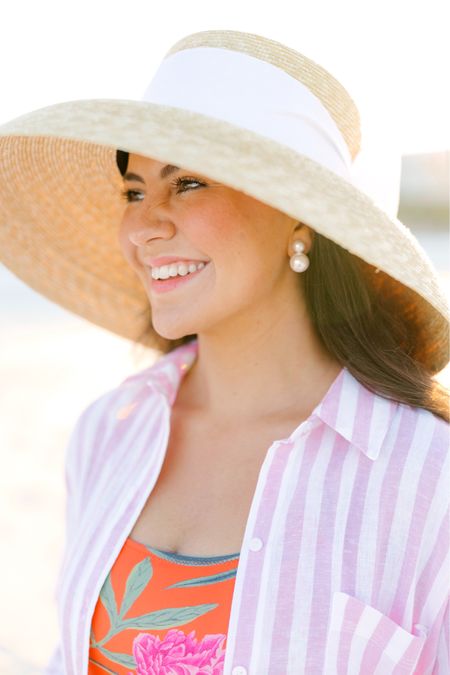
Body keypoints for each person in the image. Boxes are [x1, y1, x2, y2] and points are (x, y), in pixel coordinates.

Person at [0, 29, 448, 675]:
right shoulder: (109, 433)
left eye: (186, 183)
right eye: (133, 189)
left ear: (300, 216)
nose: (142, 225)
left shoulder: (427, 480)